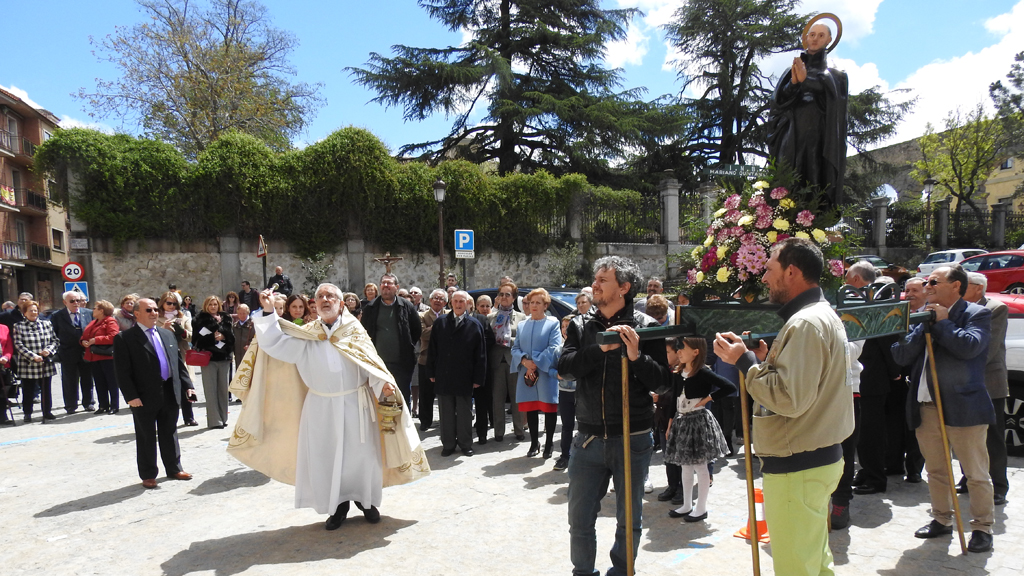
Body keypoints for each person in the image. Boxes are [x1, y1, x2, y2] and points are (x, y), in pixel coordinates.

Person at [230, 283, 428, 529]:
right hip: (320, 407)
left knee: (361, 457)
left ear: (341, 304)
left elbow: (370, 365)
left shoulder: (354, 332)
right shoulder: (307, 334)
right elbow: (275, 345)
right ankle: (337, 506)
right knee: (328, 457)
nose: (325, 299)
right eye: (320, 296)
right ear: (315, 304)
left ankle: (366, 502)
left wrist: (382, 386)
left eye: (331, 296)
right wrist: (269, 312)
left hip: (356, 405)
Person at [714, 237, 853, 576]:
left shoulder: (805, 322)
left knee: (796, 568)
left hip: (798, 466)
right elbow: (808, 386)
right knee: (815, 563)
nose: (764, 278)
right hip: (814, 459)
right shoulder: (821, 314)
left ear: (791, 271)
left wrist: (744, 361)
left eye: (770, 269)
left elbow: (789, 399)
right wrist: (764, 363)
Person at [558, 256, 669, 576]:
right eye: (595, 279)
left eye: (602, 280)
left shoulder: (647, 328)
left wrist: (636, 357)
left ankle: (621, 572)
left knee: (629, 519)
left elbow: (663, 382)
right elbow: (564, 368)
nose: (594, 284)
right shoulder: (580, 325)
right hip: (588, 439)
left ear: (624, 287)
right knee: (579, 520)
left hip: (632, 439)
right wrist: (599, 349)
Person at [891, 264, 995, 553]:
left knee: (975, 472)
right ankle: (941, 519)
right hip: (926, 406)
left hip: (964, 407)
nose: (928, 286)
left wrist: (944, 323)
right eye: (926, 282)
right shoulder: (922, 315)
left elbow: (969, 348)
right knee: (936, 470)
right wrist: (923, 324)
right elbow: (900, 355)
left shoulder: (977, 314)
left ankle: (982, 527)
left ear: (957, 286)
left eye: (935, 281)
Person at [114, 298, 196, 488]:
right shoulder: (125, 338)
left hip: (169, 391)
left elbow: (177, 364)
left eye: (155, 310)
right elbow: (122, 372)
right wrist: (131, 396)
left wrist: (187, 385)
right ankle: (149, 474)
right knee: (146, 436)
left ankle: (174, 468)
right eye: (148, 310)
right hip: (143, 396)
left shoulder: (167, 335)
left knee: (170, 431)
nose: (154, 313)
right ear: (137, 314)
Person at [766, 21, 848, 209]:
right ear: (806, 38)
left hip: (819, 135)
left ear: (829, 39)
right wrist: (794, 83)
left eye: (821, 35)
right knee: (787, 172)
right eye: (812, 35)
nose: (815, 39)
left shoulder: (836, 75)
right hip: (792, 131)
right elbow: (778, 101)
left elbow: (834, 102)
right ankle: (786, 213)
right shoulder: (791, 70)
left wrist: (806, 81)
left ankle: (813, 216)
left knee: (814, 173)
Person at [663, 336, 735, 522]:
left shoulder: (703, 372)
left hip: (698, 421)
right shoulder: (678, 373)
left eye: (682, 348)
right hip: (682, 420)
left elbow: (729, 386)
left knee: (700, 465)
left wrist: (708, 399)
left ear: (696, 352)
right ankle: (687, 504)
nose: (678, 351)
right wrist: (670, 421)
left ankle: (700, 507)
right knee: (685, 465)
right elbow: (673, 400)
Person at [961, 272, 1009, 506]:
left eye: (963, 285)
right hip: (962, 383)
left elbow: (987, 347)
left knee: (992, 436)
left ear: (978, 288)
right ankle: (969, 477)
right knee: (965, 433)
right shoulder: (958, 308)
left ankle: (998, 485)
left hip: (988, 381)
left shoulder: (995, 308)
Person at [425, 290, 486, 457]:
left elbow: (480, 354)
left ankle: (466, 444)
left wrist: (478, 378)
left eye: (462, 301)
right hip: (443, 374)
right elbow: (433, 350)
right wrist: (431, 371)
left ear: (467, 304)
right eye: (456, 301)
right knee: (446, 413)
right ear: (451, 303)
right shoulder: (440, 323)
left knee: (465, 413)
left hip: (465, 376)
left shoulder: (474, 325)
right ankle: (448, 444)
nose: (458, 304)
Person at [512, 288, 563, 458]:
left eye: (537, 303)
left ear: (545, 305)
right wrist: (525, 361)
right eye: (531, 302)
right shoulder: (522, 325)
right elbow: (515, 347)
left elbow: (555, 346)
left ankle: (548, 444)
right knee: (531, 408)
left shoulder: (553, 323)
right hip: (527, 373)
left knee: (548, 409)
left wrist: (537, 362)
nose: (533, 306)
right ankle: (534, 442)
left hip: (546, 373)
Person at [886, 277, 926, 484]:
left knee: (915, 424)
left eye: (915, 291)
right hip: (897, 374)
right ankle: (893, 464)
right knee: (895, 422)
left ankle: (914, 468)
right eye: (907, 290)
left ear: (926, 293)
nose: (909, 294)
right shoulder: (900, 313)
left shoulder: (928, 315)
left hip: (917, 376)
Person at [361, 273, 422, 404]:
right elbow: (364, 332)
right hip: (377, 364)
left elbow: (416, 330)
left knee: (402, 398)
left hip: (402, 363)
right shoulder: (371, 308)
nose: (386, 286)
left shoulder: (406, 307)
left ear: (397, 287)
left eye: (389, 283)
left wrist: (407, 346)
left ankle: (403, 424)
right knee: (378, 398)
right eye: (383, 283)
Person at [487, 282, 528, 442]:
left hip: (515, 362)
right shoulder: (490, 317)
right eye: (501, 294)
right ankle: (498, 431)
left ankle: (519, 430)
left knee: (517, 398)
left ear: (514, 298)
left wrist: (507, 339)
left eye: (508, 294)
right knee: (497, 399)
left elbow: (523, 340)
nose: (504, 297)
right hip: (496, 362)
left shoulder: (522, 318)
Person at [192, 296, 235, 429]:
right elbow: (196, 339)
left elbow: (232, 338)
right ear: (206, 305)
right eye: (210, 304)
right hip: (208, 358)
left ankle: (223, 417)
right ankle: (214, 420)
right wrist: (212, 336)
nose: (213, 307)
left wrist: (224, 335)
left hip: (224, 357)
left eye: (215, 304)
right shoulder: (199, 319)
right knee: (211, 390)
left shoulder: (226, 318)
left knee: (223, 389)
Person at [51, 291, 95, 414]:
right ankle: (71, 405)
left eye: (78, 300)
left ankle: (89, 403)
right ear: (65, 302)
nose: (76, 303)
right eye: (72, 301)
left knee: (87, 378)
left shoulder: (89, 313)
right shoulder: (57, 316)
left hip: (85, 351)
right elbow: (54, 333)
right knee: (69, 380)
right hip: (67, 352)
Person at [14, 301, 58, 423]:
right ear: (24, 313)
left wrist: (48, 350)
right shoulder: (18, 326)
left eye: (35, 310)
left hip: (45, 363)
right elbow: (18, 345)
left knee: (46, 389)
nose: (34, 313)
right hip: (28, 364)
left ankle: (47, 411)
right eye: (30, 310)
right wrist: (33, 356)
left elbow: (54, 340)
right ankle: (27, 413)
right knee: (28, 390)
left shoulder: (47, 324)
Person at [158, 291, 197, 426]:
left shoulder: (184, 317)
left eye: (174, 304)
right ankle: (169, 419)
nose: (171, 306)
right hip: (164, 356)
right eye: (168, 303)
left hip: (182, 354)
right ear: (162, 303)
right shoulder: (156, 318)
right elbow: (152, 336)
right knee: (168, 386)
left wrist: (183, 331)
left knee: (185, 385)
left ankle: (189, 417)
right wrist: (163, 328)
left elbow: (193, 336)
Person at [81, 300, 121, 415]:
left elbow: (114, 336)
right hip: (94, 357)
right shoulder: (93, 322)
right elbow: (85, 336)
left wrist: (97, 340)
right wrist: (83, 341)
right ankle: (103, 405)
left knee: (111, 382)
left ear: (101, 310)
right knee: (99, 382)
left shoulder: (110, 321)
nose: (93, 310)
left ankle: (114, 406)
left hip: (107, 357)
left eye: (95, 308)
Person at [417, 289, 447, 431]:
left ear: (445, 302)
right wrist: (441, 327)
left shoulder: (449, 315)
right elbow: (423, 334)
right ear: (430, 300)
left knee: (445, 392)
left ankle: (446, 420)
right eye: (435, 298)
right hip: (426, 358)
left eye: (441, 299)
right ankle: (425, 420)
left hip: (445, 359)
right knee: (425, 392)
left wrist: (432, 328)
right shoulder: (422, 316)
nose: (437, 300)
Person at [553, 314, 577, 471]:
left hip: (582, 392)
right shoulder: (558, 349)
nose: (565, 330)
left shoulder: (584, 347)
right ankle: (564, 456)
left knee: (584, 426)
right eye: (563, 326)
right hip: (564, 391)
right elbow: (551, 368)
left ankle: (583, 458)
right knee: (567, 425)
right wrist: (556, 374)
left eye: (569, 327)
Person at [471, 295, 496, 444]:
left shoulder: (490, 319)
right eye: (482, 306)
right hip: (471, 366)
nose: (485, 309)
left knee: (486, 399)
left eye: (488, 306)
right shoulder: (475, 319)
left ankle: (487, 427)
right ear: (476, 306)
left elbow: (490, 340)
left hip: (487, 364)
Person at [231, 304, 255, 370]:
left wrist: (250, 345)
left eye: (244, 313)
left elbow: (257, 339)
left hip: (250, 354)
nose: (242, 315)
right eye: (240, 313)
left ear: (248, 313)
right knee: (239, 373)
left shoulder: (253, 325)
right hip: (238, 355)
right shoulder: (235, 326)